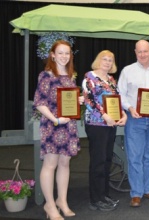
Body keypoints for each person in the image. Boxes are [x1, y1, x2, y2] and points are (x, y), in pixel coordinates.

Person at [33, 40, 83, 220]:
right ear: (52, 55)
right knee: (50, 164)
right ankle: (50, 205)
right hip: (52, 126)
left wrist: (78, 101)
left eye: (67, 53)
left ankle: (62, 200)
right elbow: (39, 102)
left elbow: (66, 101)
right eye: (60, 53)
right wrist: (55, 119)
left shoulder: (70, 78)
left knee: (65, 164)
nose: (64, 57)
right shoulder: (46, 76)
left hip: (68, 126)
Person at [118, 40, 149, 207]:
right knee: (135, 157)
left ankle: (148, 189)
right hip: (135, 119)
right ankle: (136, 193)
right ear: (135, 52)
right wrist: (130, 108)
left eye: (145, 51)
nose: (142, 54)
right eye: (139, 51)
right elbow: (121, 95)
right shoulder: (127, 71)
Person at [82, 50, 127, 211]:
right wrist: (104, 115)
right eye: (104, 59)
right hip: (96, 125)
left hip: (110, 124)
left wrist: (123, 115)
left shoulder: (111, 79)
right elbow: (89, 100)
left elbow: (117, 100)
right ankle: (96, 199)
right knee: (98, 162)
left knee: (107, 161)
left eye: (110, 60)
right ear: (98, 60)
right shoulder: (90, 77)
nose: (107, 62)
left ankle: (104, 195)